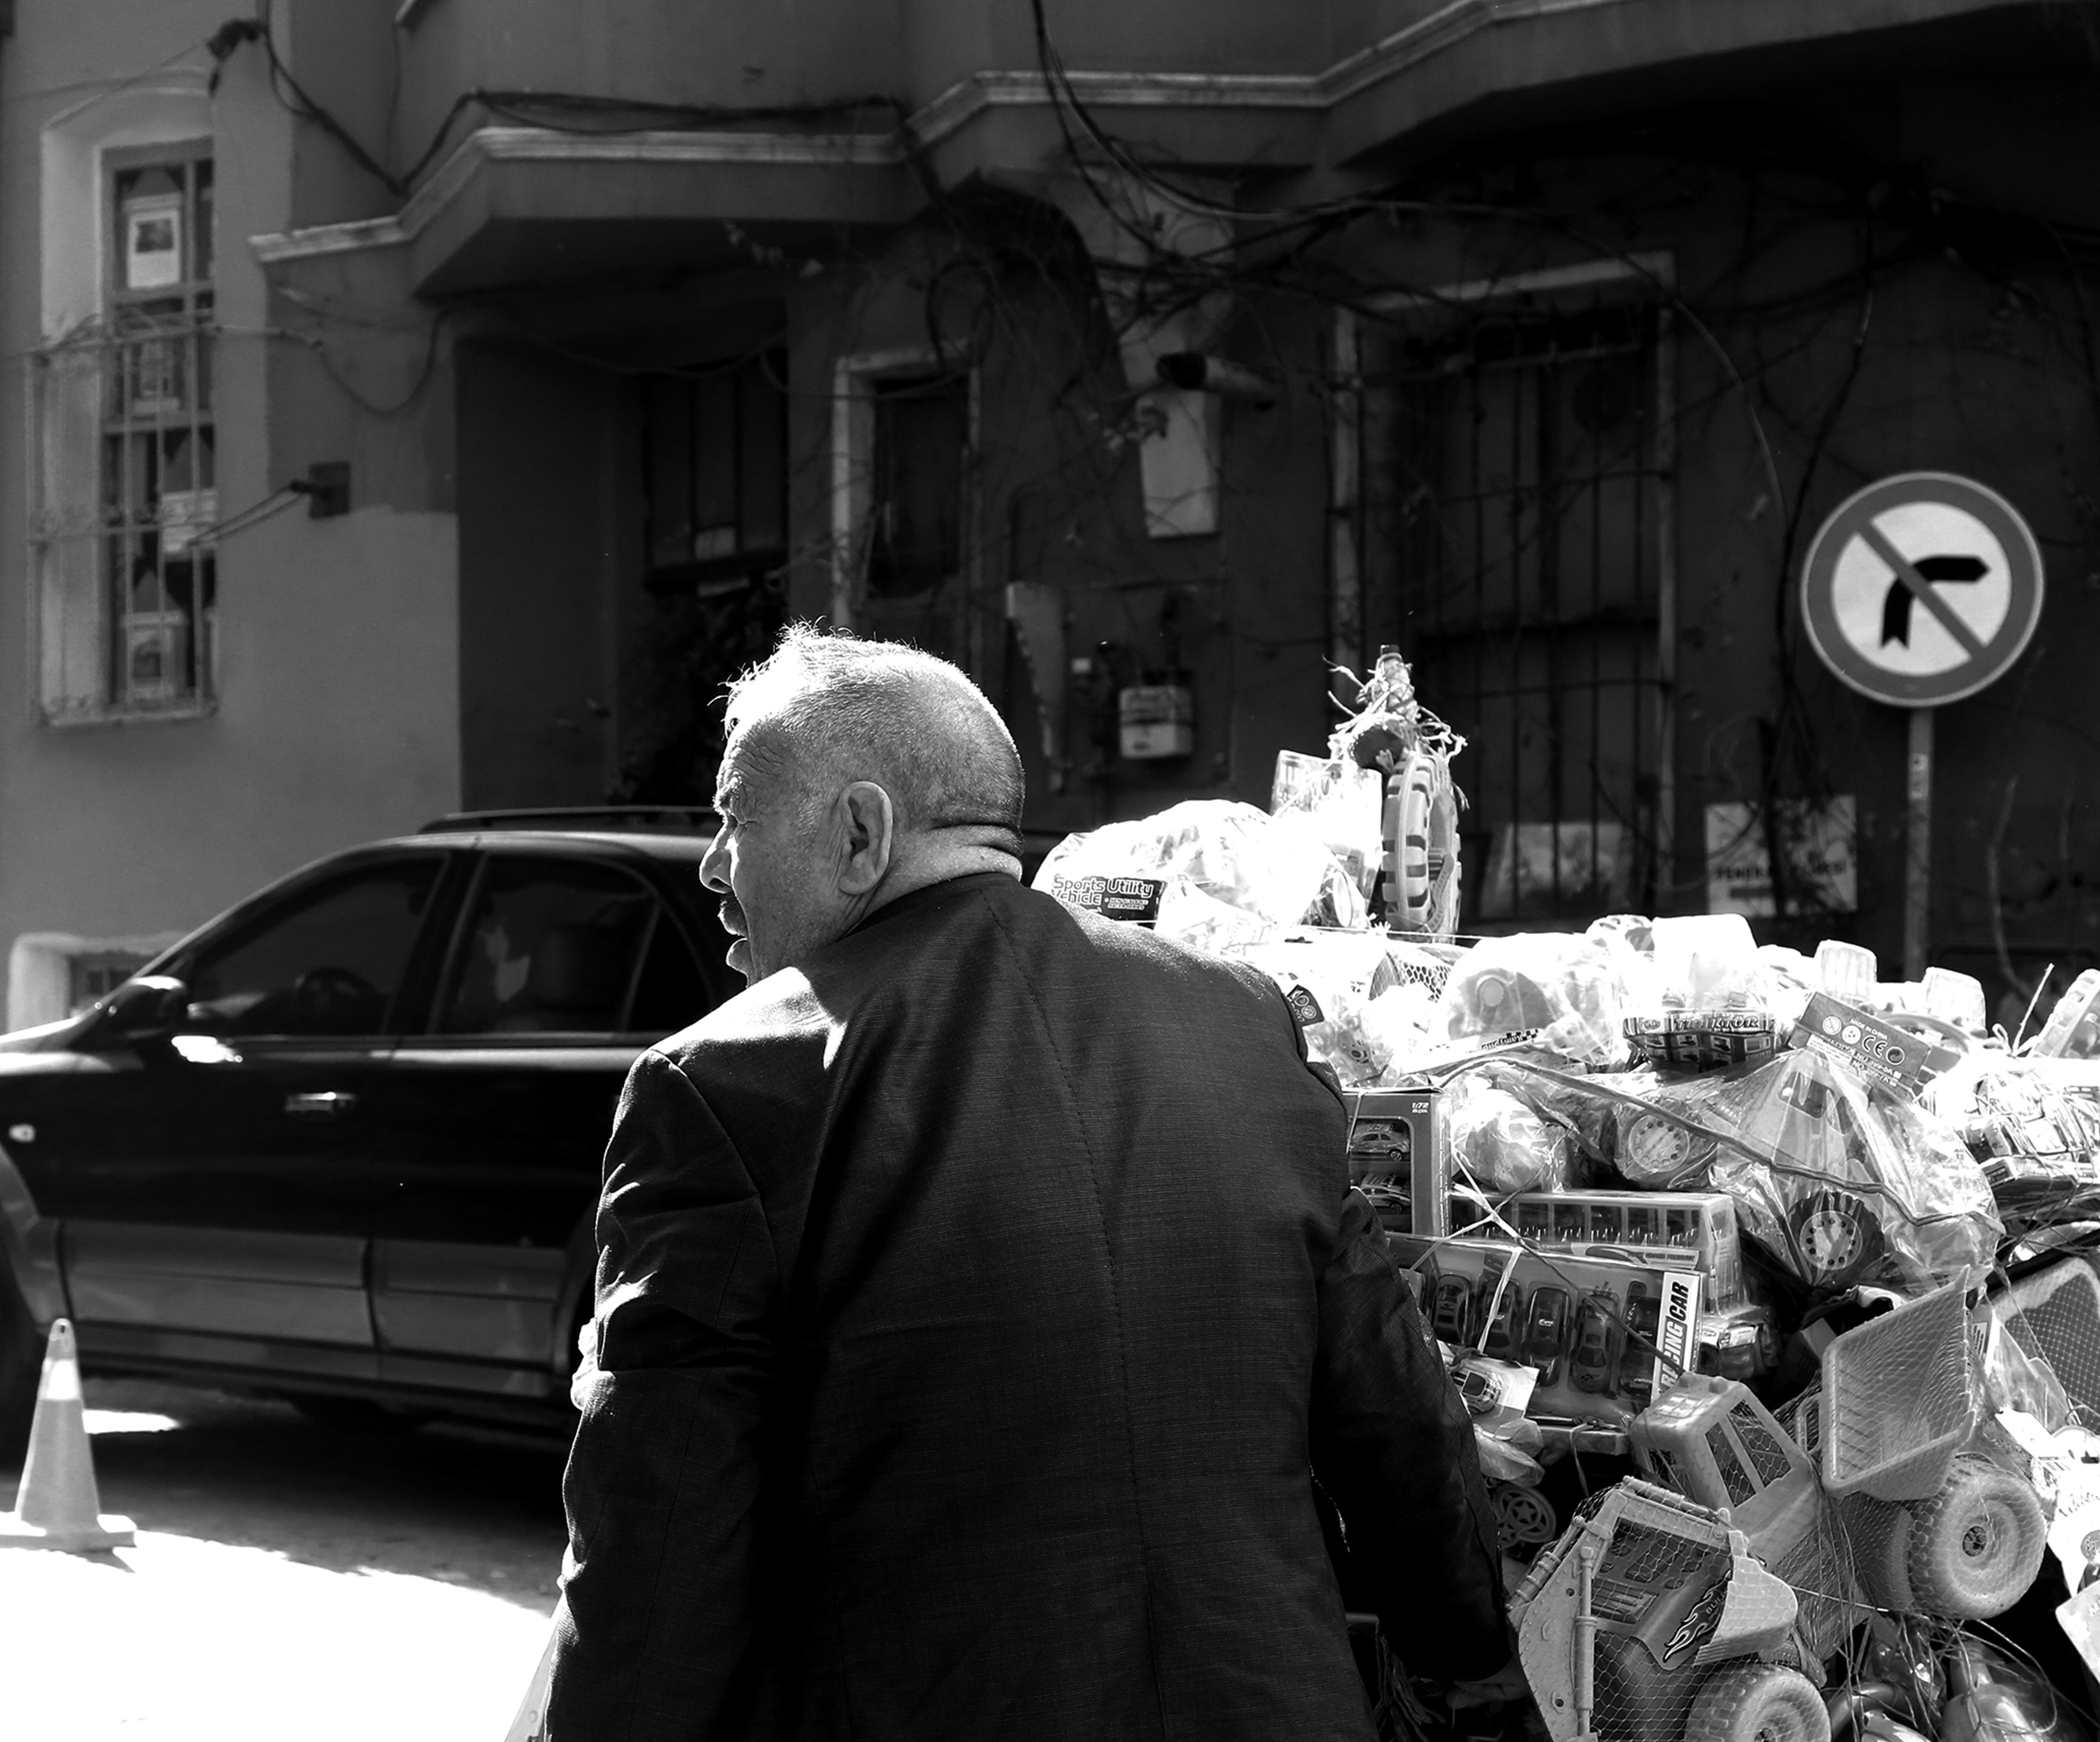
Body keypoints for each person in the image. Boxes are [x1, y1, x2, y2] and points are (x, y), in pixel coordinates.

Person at [542, 626, 1511, 1741]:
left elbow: (655, 1557)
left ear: (861, 833)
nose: (714, 864)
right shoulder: (1240, 1018)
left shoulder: (722, 1087)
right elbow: (1396, 1422)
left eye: (733, 820)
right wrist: (1477, 1669)